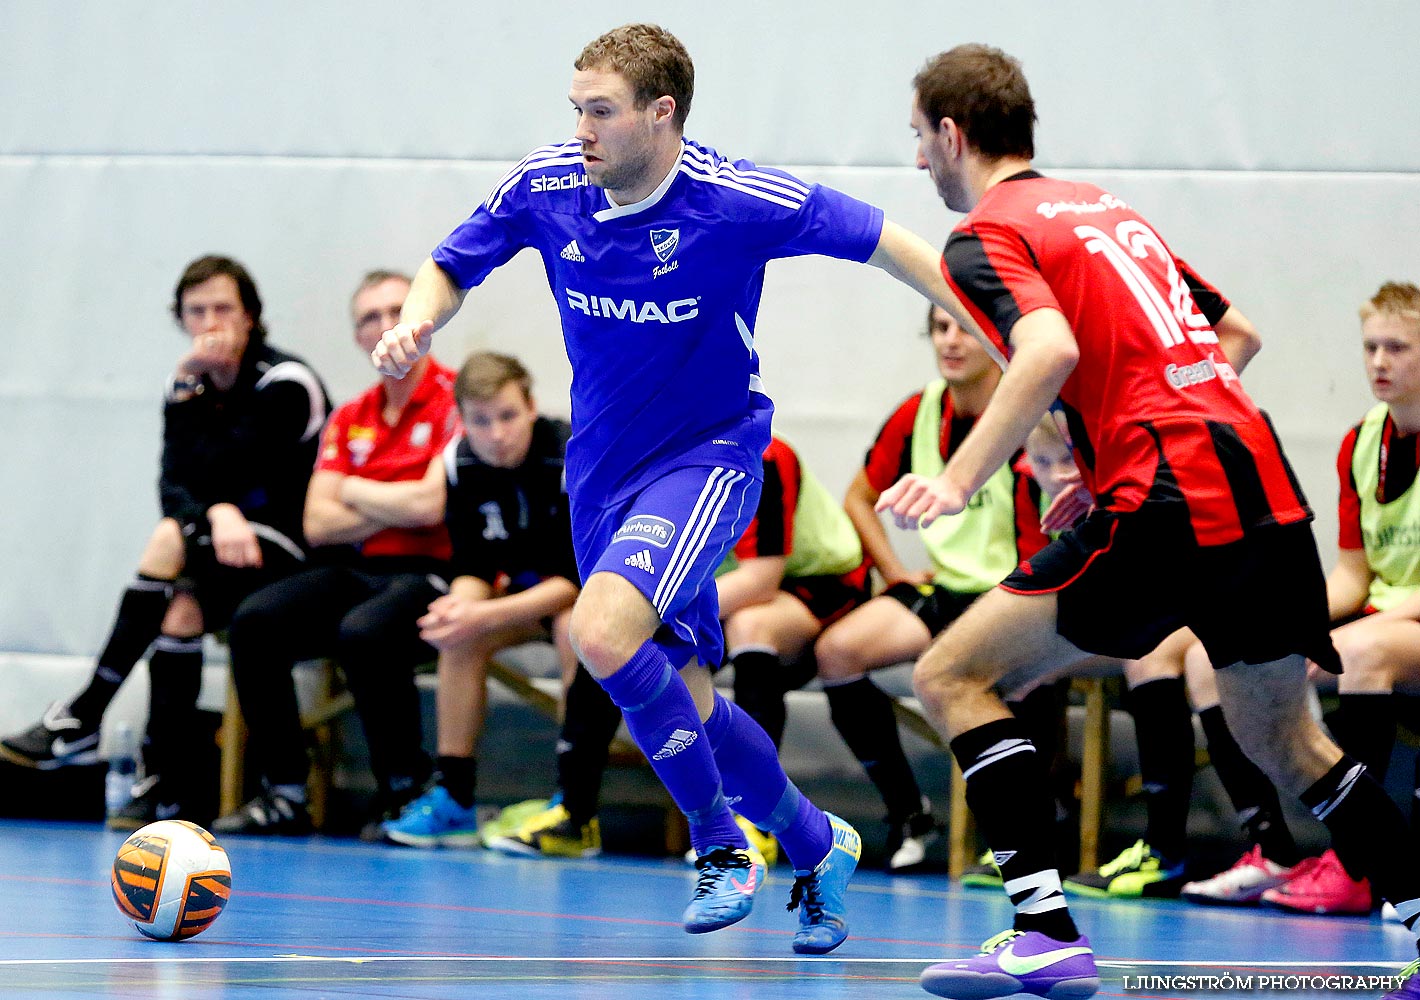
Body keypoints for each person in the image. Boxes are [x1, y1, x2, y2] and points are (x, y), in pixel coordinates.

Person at [370, 23, 991, 952]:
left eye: (601, 111)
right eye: (576, 108)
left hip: (707, 456)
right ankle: (819, 844)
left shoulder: (733, 198)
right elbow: (452, 263)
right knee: (688, 698)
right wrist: (417, 322)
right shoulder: (547, 187)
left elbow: (885, 239)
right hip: (602, 473)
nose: (581, 128)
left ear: (662, 115)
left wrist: (990, 312)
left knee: (603, 632)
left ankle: (720, 845)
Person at [884, 45, 1420, 1000]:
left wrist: (962, 478)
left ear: (953, 135)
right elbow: (1236, 334)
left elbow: (1046, 348)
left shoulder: (989, 233)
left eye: (919, 137)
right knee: (1289, 744)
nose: (919, 157)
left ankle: (1044, 932)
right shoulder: (1105, 211)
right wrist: (1136, 439)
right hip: (1261, 487)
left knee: (950, 672)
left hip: (1169, 503)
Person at [0, 256, 329, 827]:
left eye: (223, 309)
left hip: (291, 555)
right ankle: (168, 785)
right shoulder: (191, 384)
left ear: (250, 317)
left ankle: (83, 714)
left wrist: (216, 498)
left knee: (168, 540)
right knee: (178, 609)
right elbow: (172, 484)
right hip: (218, 552)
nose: (210, 323)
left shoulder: (285, 383)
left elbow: (233, 469)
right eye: (195, 311)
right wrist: (216, 505)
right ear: (179, 319)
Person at [1180, 280, 1420, 917]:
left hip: (1401, 627)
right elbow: (1351, 576)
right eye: (1370, 347)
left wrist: (1341, 639)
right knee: (1213, 655)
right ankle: (1274, 848)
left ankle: (1356, 865)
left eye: (1396, 347)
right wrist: (1300, 625)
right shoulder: (1362, 441)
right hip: (1386, 617)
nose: (1377, 362)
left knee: (1361, 653)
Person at [214, 270, 458, 837]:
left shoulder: (453, 400)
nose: (385, 324)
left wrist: (351, 488)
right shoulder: (350, 415)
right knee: (253, 621)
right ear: (359, 337)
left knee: (365, 631)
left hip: (433, 571)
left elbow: (432, 508)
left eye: (396, 310)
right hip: (357, 567)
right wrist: (397, 498)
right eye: (369, 318)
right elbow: (316, 524)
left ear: (422, 320)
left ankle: (402, 790)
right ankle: (285, 792)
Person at [813, 304, 1050, 872]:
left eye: (963, 327)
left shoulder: (1033, 415)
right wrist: (894, 570)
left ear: (994, 339)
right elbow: (857, 498)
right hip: (945, 590)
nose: (950, 340)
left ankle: (1034, 827)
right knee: (837, 652)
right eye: (940, 328)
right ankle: (910, 812)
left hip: (1015, 594)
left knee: (1005, 679)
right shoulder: (917, 412)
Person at [381, 351, 583, 850]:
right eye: (481, 421)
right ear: (462, 421)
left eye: (508, 416)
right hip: (517, 595)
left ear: (532, 407)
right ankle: (454, 798)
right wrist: (459, 608)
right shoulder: (459, 463)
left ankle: (574, 804)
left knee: (574, 629)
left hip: (576, 594)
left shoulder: (571, 455)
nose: (496, 434)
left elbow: (575, 579)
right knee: (459, 634)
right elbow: (471, 566)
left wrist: (482, 611)